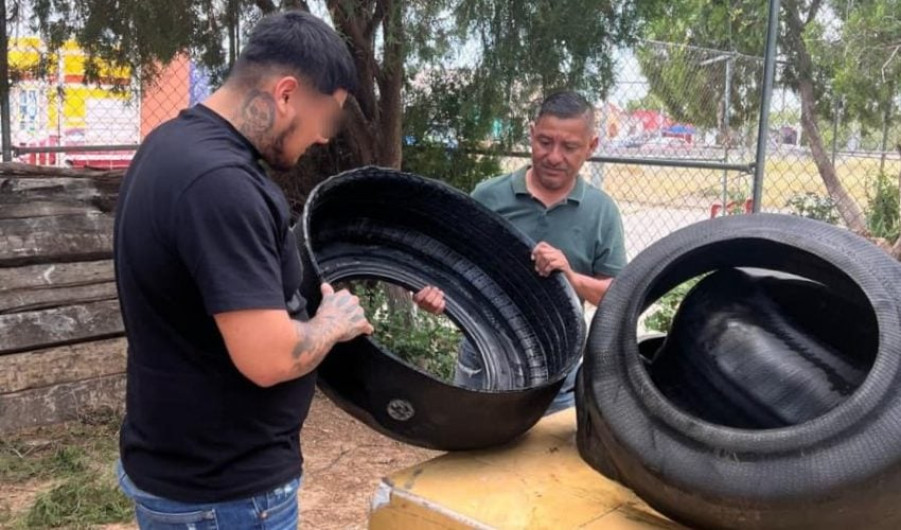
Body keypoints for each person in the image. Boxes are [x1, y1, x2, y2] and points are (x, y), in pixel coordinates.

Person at [112, 11, 373, 529]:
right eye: (327, 116)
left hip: (187, 473)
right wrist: (331, 321)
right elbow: (269, 358)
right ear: (286, 94)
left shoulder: (168, 147)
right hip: (223, 494)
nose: (323, 137)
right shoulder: (222, 186)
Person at [414, 91, 627, 413]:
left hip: (557, 366)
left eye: (569, 147)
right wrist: (434, 298)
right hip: (483, 355)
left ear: (591, 147)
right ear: (531, 134)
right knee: (472, 454)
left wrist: (570, 277)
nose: (554, 156)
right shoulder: (489, 196)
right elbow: (452, 270)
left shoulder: (601, 211)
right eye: (544, 141)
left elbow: (615, 295)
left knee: (547, 461)